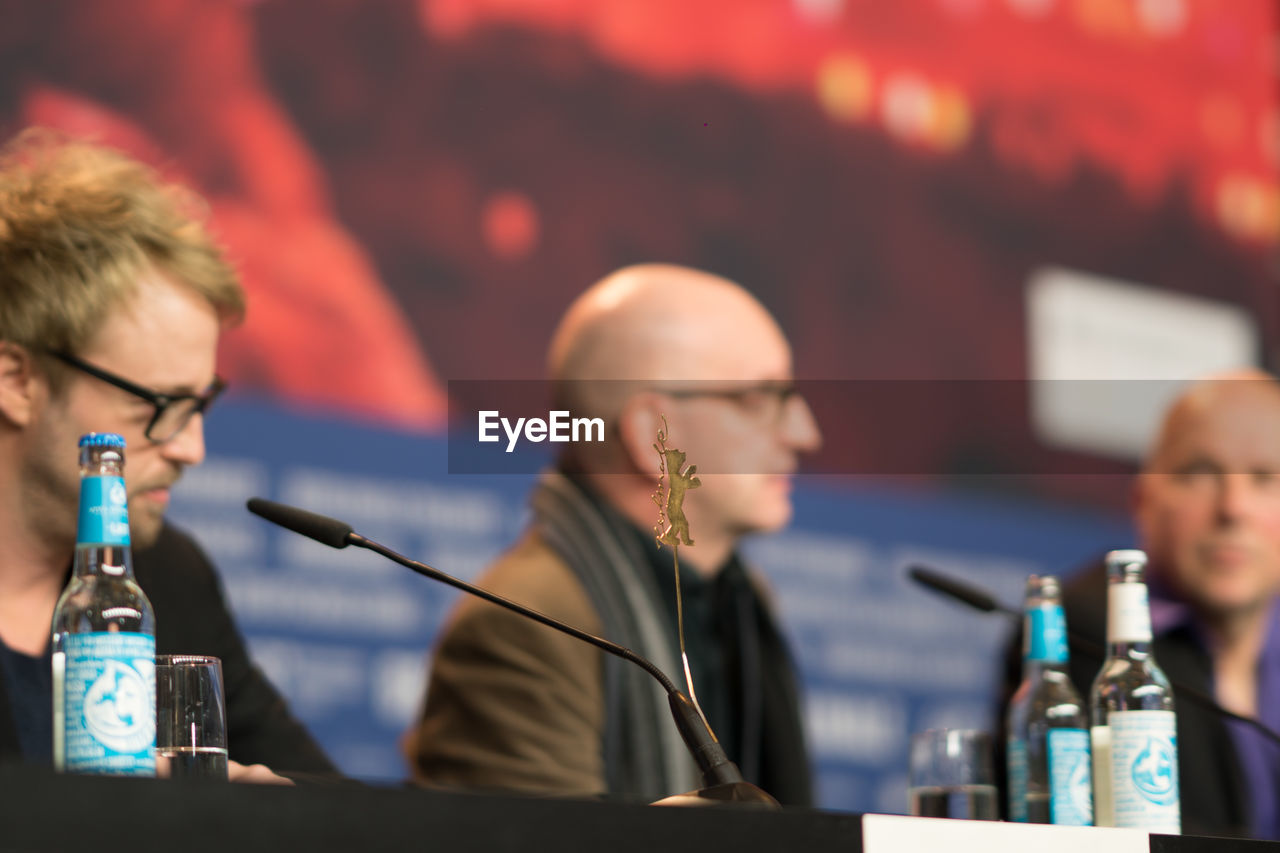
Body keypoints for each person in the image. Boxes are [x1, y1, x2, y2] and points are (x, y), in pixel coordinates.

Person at [404, 264, 821, 804]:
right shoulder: (527, 622)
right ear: (654, 436)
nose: (804, 434)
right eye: (760, 400)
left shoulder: (745, 601)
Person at [0, 129, 337, 781]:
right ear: (16, 380)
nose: (192, 448)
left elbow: (331, 802)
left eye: (200, 404)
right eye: (158, 405)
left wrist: (276, 819)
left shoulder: (169, 575)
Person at [1000, 370, 1280, 838]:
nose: (1233, 508)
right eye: (1201, 473)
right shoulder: (1084, 636)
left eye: (1264, 478)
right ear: (1143, 501)